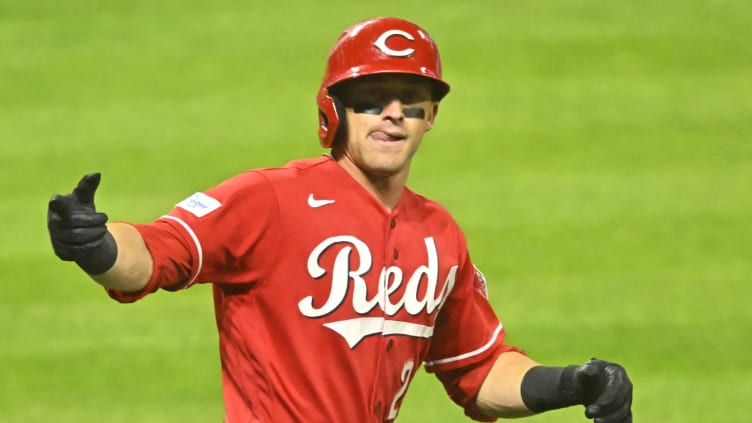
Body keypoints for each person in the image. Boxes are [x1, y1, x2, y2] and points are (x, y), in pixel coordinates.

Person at [47, 17, 632, 423]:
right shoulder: (270, 199)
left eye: (412, 98)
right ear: (335, 110)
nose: (393, 113)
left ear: (432, 117)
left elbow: (477, 369)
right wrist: (95, 246)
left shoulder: (439, 234)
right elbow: (157, 251)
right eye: (372, 97)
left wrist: (570, 382)